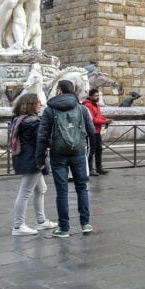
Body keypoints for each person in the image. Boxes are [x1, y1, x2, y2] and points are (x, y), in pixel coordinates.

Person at [36, 79, 95, 238]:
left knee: (62, 192)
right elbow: (91, 131)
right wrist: (90, 151)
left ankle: (64, 227)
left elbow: (42, 136)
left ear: (60, 91)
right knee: (82, 188)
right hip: (78, 152)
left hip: (58, 154)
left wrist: (40, 159)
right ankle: (85, 224)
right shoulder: (82, 109)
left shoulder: (50, 110)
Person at [9, 94, 58, 235]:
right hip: (33, 160)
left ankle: (41, 221)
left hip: (23, 158)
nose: (41, 105)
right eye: (38, 103)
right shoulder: (34, 122)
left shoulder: (18, 119)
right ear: (31, 105)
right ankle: (18, 226)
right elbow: (42, 142)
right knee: (25, 192)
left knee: (41, 188)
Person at [82, 89, 111, 176]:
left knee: (99, 150)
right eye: (95, 96)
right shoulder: (88, 105)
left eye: (98, 96)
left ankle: (99, 167)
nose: (97, 97)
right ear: (90, 97)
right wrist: (105, 122)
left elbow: (99, 116)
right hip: (91, 131)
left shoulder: (96, 105)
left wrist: (106, 120)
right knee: (91, 150)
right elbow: (92, 119)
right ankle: (89, 169)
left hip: (97, 131)